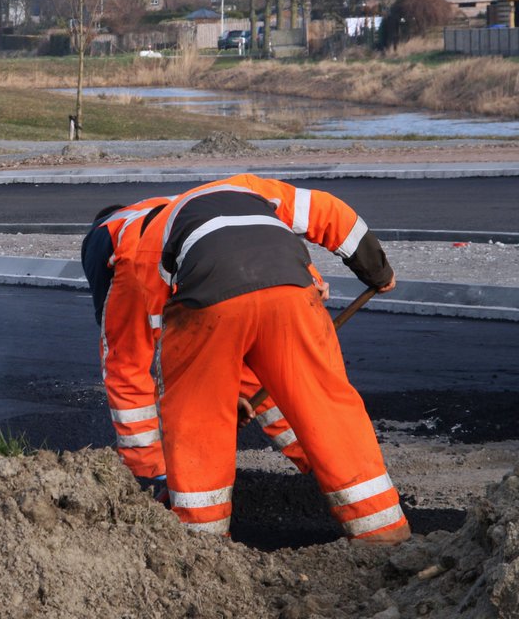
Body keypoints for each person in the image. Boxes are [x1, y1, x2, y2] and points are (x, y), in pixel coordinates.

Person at [130, 174, 408, 544]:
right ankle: (384, 533)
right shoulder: (254, 188)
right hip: (291, 292)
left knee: (195, 416)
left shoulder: (149, 238)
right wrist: (377, 270)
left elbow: (167, 334)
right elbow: (333, 215)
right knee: (326, 405)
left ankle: (201, 544)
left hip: (209, 302)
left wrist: (219, 396)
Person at [81, 197, 312, 497]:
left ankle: (149, 472)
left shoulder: (101, 235)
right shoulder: (165, 207)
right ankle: (313, 454)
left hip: (144, 255)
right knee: (241, 363)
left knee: (125, 362)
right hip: (223, 258)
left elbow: (118, 327)